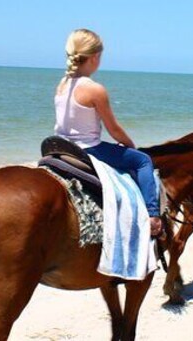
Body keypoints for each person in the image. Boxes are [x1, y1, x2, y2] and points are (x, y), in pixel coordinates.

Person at [54, 29, 163, 237]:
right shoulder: (94, 89)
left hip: (61, 146)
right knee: (142, 161)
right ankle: (153, 217)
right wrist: (130, 145)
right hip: (89, 149)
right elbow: (114, 130)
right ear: (95, 57)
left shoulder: (62, 84)